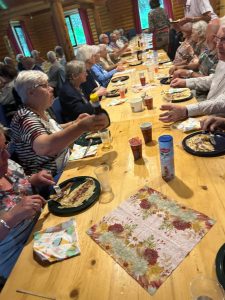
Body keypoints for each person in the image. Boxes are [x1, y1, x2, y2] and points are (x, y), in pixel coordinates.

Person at [10, 70, 110, 176]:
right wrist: (80, 126)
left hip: (68, 159)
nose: (51, 88)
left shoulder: (39, 109)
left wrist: (74, 123)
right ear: (30, 92)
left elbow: (49, 130)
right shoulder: (25, 118)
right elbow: (45, 147)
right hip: (54, 177)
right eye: (44, 86)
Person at [0, 125, 55, 285]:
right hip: (17, 257)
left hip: (42, 228)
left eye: (5, 146)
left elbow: (19, 185)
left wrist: (33, 179)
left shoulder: (6, 163)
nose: (8, 155)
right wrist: (10, 217)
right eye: (0, 152)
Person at [159, 24, 225, 123]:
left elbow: (222, 103)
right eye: (217, 38)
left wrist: (186, 110)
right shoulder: (222, 59)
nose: (218, 44)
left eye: (224, 40)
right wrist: (186, 82)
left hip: (213, 117)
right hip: (208, 111)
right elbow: (212, 79)